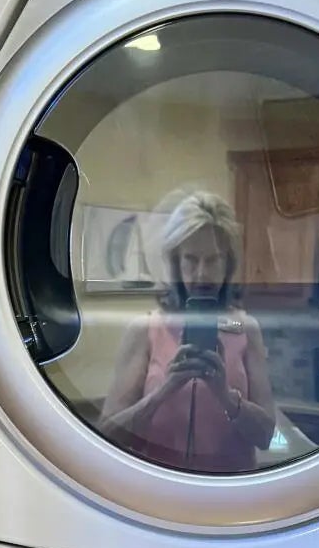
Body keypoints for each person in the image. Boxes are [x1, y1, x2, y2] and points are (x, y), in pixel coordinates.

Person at [98, 192, 276, 473]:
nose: (202, 274)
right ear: (176, 264)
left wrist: (226, 396)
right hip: (159, 485)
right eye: (191, 260)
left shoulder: (247, 329)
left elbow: (266, 436)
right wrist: (164, 390)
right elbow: (108, 434)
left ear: (228, 265)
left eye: (213, 260)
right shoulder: (145, 330)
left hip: (230, 489)